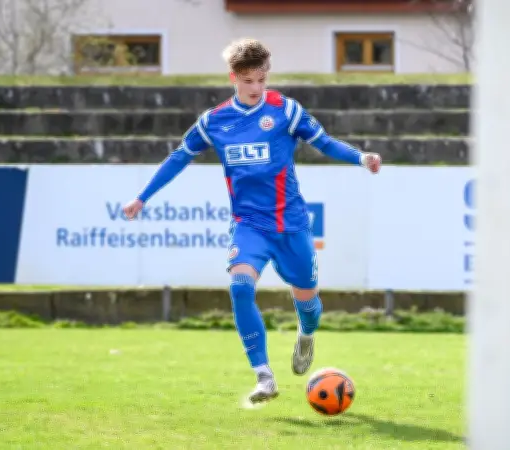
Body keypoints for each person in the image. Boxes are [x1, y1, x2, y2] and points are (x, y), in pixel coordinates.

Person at [122, 38, 382, 405]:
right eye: (248, 81)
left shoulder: (285, 110)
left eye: (262, 79)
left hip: (291, 225)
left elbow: (324, 142)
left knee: (308, 303)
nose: (256, 88)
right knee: (240, 287)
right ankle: (264, 376)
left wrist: (360, 158)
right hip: (249, 225)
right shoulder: (214, 121)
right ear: (234, 78)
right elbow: (179, 157)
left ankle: (306, 334)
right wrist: (142, 197)